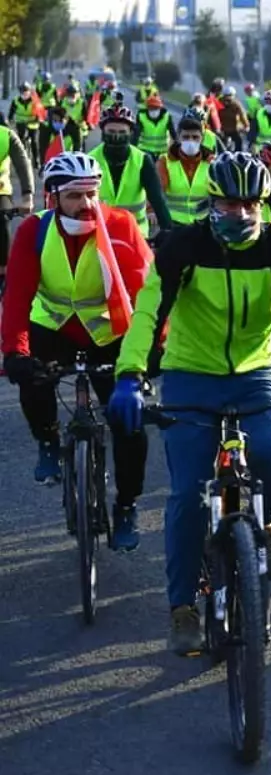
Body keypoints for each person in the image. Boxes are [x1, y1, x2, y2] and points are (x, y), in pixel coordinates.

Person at [107, 151, 271, 655]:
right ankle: (182, 607)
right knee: (185, 496)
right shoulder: (184, 245)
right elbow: (148, 311)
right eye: (229, 204)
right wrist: (130, 376)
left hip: (255, 371)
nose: (241, 214)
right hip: (189, 375)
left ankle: (265, 522)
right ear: (212, 202)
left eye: (251, 204)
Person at [1, 153, 151, 550]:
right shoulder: (34, 231)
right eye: (74, 196)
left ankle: (126, 506)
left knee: (129, 422)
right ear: (53, 197)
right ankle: (48, 440)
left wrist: (148, 353)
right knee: (31, 382)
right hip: (51, 329)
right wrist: (15, 353)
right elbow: (17, 299)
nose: (85, 204)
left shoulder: (120, 225)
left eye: (91, 194)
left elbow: (145, 294)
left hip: (110, 333)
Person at [88, 105, 173, 238]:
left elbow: (158, 201)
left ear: (131, 133)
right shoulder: (90, 160)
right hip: (101, 235)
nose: (116, 136)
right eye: (111, 131)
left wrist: (169, 234)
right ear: (103, 131)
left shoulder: (143, 160)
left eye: (122, 132)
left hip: (135, 235)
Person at [156, 113, 216, 226]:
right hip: (173, 223)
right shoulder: (165, 161)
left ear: (202, 138)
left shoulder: (212, 163)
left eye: (195, 137)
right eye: (186, 137)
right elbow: (157, 191)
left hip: (203, 223)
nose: (190, 141)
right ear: (178, 138)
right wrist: (151, 211)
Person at [0, 112, 36, 287]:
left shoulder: (6, 135)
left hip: (1, 192)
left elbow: (23, 164)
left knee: (2, 224)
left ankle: (3, 272)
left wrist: (27, 196)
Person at [8, 83, 42, 170]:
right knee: (20, 140)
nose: (25, 94)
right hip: (20, 122)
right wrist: (10, 119)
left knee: (34, 141)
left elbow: (39, 112)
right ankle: (22, 160)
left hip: (32, 122)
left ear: (29, 92)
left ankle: (36, 161)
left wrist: (37, 119)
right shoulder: (15, 101)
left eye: (26, 92)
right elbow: (11, 113)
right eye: (23, 92)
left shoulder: (35, 101)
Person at [133, 94, 174, 161]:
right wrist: (133, 149)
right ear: (147, 108)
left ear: (160, 108)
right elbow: (136, 135)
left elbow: (173, 134)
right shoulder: (141, 116)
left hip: (162, 152)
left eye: (156, 108)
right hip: (145, 150)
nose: (153, 110)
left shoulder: (167, 117)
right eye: (151, 108)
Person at [217, 86, 249, 152]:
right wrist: (246, 126)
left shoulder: (235, 104)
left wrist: (246, 125)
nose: (228, 98)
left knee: (238, 141)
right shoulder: (235, 104)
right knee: (237, 142)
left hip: (230, 129)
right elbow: (242, 115)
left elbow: (242, 115)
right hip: (224, 130)